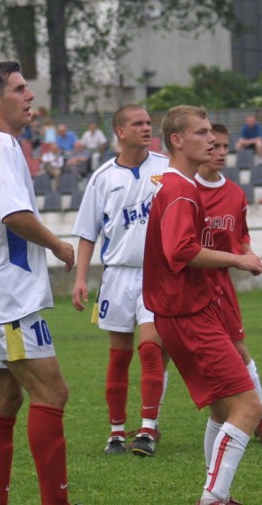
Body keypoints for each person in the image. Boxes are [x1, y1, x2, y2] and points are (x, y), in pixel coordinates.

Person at [0, 61, 76, 505]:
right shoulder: (1, 145)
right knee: (52, 392)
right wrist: (60, 246)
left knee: (4, 401)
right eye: (20, 89)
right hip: (7, 300)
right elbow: (14, 215)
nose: (30, 97)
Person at [143, 105, 262, 505]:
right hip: (188, 315)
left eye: (212, 132)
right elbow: (179, 251)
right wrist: (237, 259)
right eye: (201, 132)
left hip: (182, 312)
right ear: (177, 141)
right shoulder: (179, 189)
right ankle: (214, 497)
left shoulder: (181, 185)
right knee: (247, 406)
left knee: (220, 411)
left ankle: (217, 494)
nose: (211, 139)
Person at [71, 103, 170, 457]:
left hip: (157, 275)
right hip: (116, 277)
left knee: (150, 348)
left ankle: (147, 429)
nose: (147, 128)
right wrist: (81, 279)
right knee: (119, 357)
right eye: (138, 124)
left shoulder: (167, 167)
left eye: (149, 122)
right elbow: (87, 233)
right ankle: (115, 432)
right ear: (121, 132)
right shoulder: (102, 178)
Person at [196, 122, 262, 446]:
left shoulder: (234, 193)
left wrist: (249, 254)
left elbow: (241, 236)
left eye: (224, 147)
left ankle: (257, 418)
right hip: (181, 288)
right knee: (155, 352)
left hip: (219, 288)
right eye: (213, 145)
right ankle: (147, 426)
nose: (218, 152)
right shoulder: (184, 190)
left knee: (239, 351)